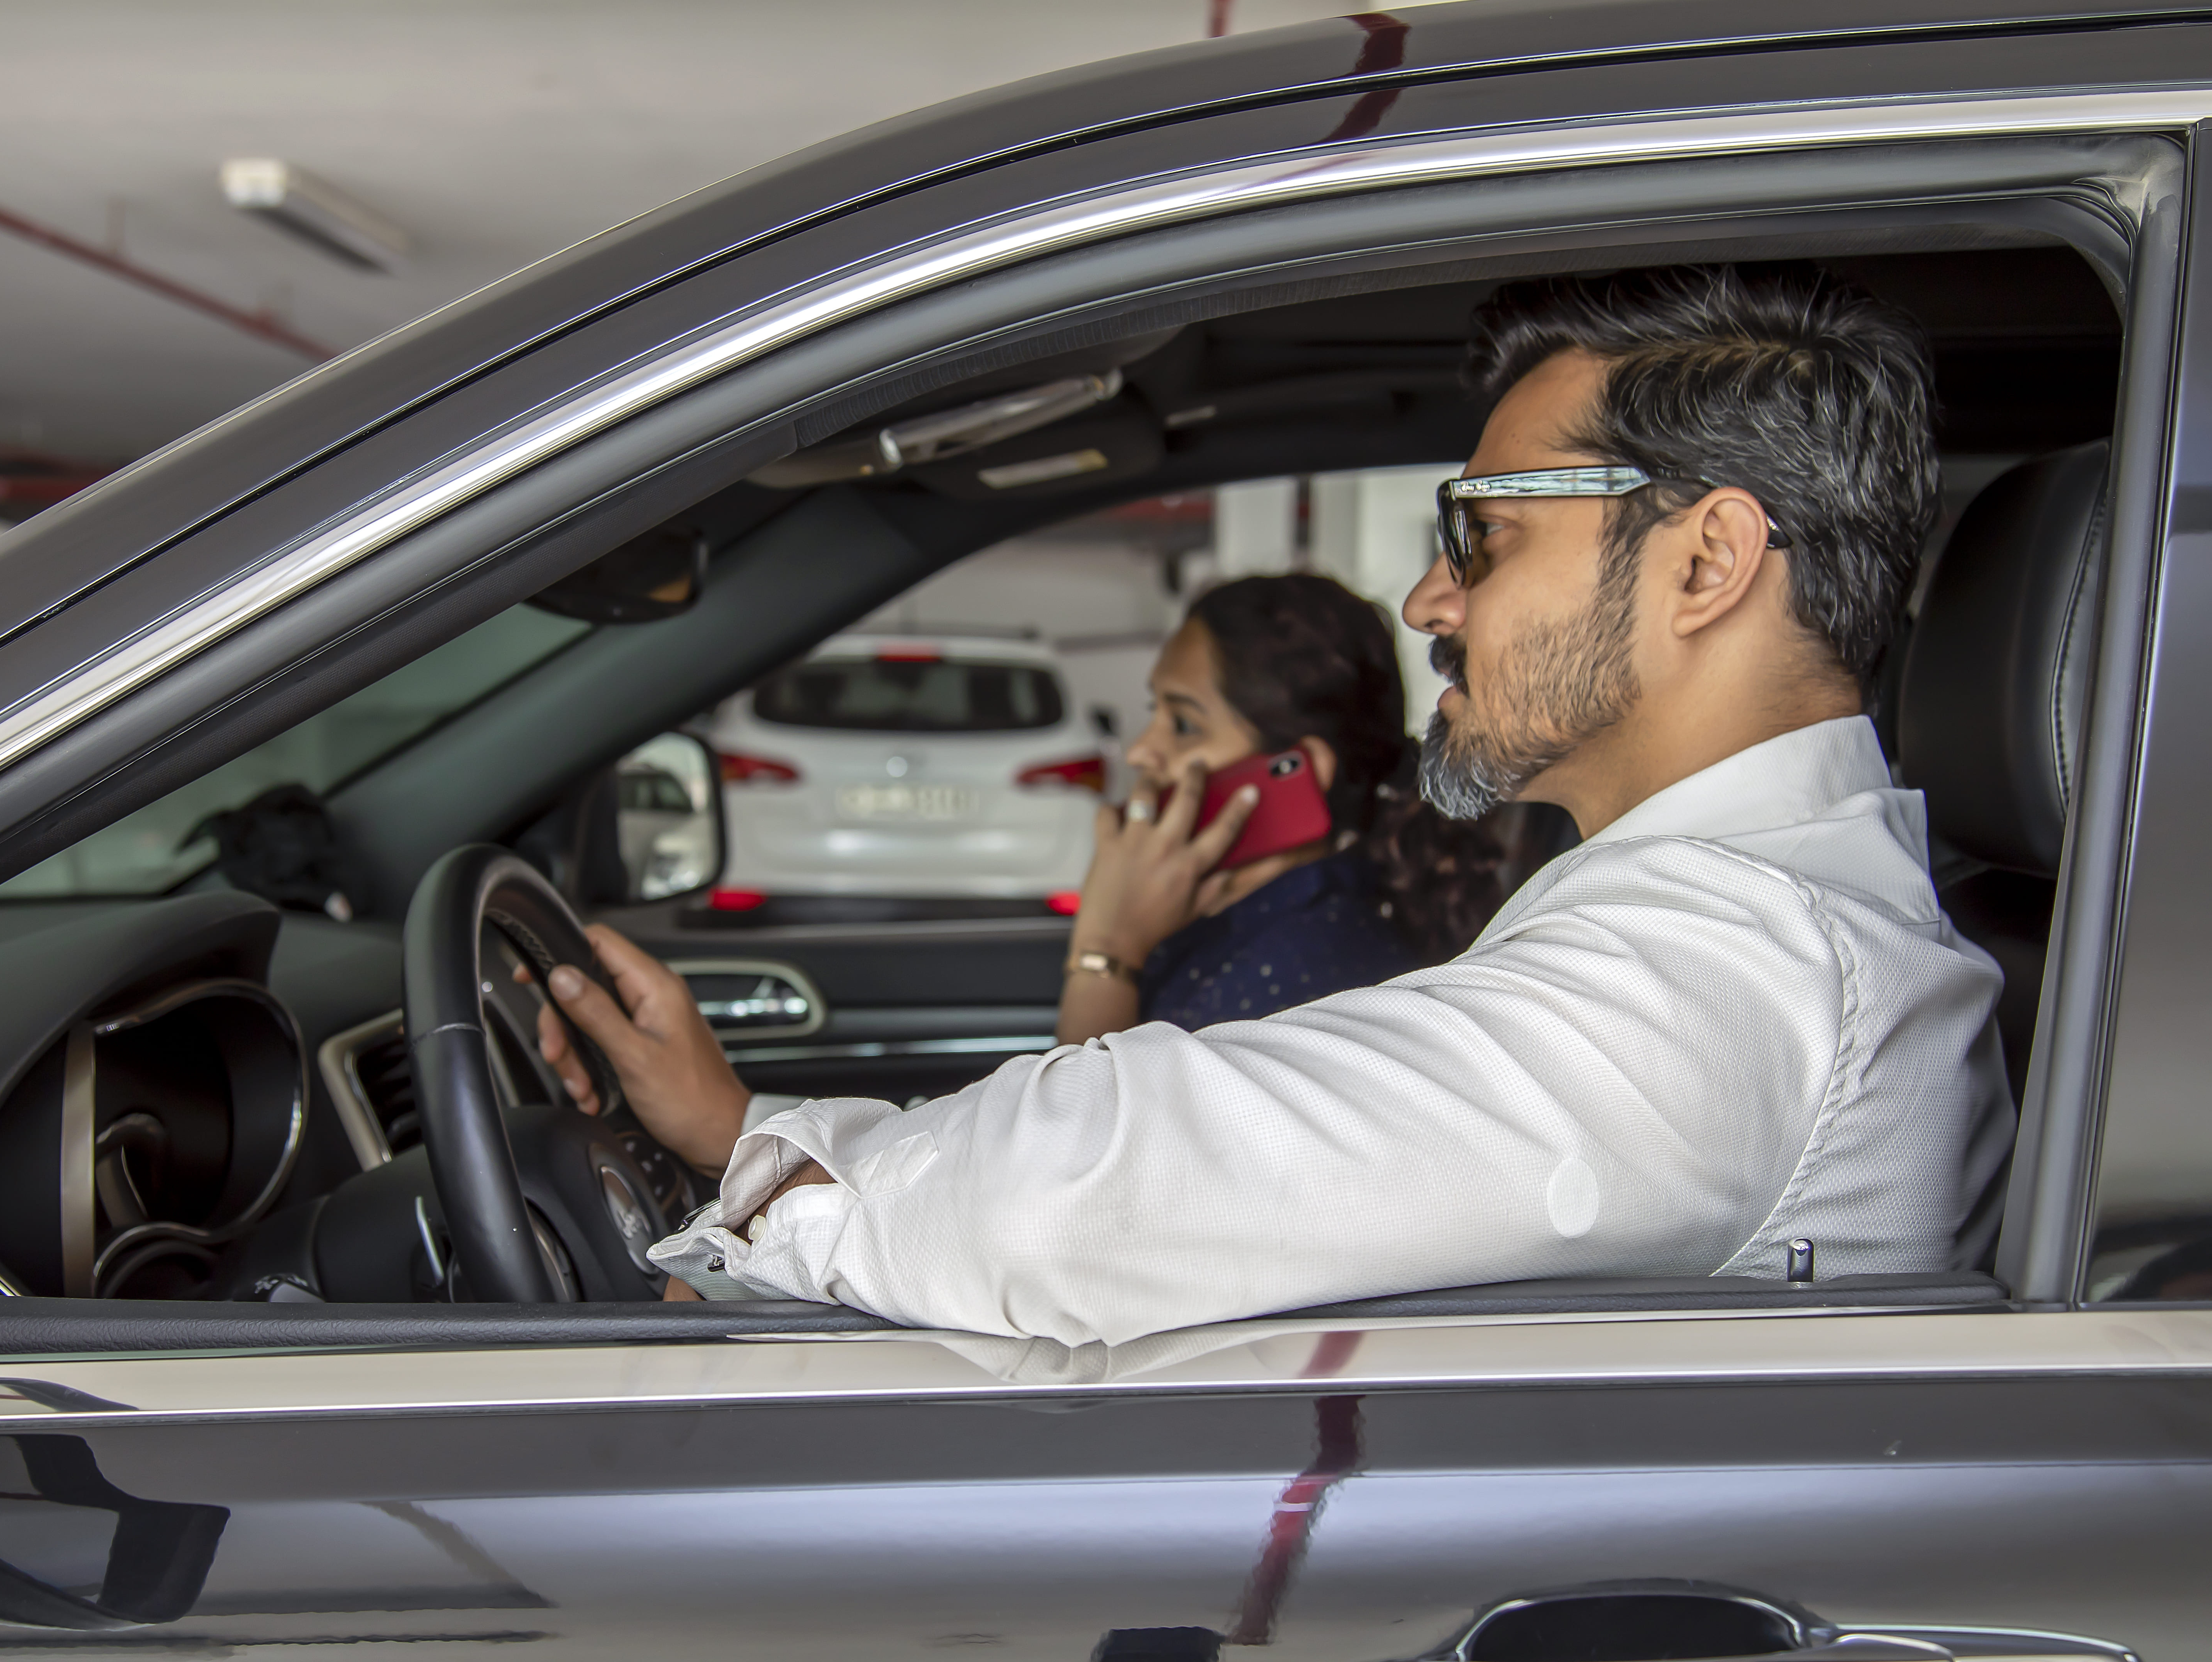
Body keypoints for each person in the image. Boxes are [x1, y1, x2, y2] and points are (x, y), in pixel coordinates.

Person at [537, 263, 2014, 1346]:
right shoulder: (1757, 921)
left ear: (1703, 564)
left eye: (1483, 540)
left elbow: (1094, 1191)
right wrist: (750, 1125)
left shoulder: (1729, 977)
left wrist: (775, 1197)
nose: (1427, 598)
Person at [1057, 572, 1506, 1047]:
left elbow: (1079, 1120)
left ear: (1299, 769)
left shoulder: (1295, 977)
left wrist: (1106, 952)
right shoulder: (1252, 918)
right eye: (1157, 714)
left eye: (1184, 723)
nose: (1141, 752)